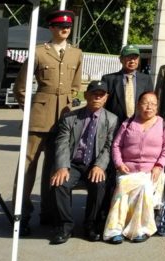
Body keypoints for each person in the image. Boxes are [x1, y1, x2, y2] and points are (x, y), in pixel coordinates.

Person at [13, 9, 83, 234]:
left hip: (63, 119)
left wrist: (69, 103)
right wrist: (31, 108)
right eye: (60, 26)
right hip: (38, 118)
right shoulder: (38, 52)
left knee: (55, 168)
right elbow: (21, 87)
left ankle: (50, 212)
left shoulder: (76, 54)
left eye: (68, 26)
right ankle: (20, 215)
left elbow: (75, 85)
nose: (65, 29)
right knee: (27, 167)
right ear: (51, 28)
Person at [49, 80, 118, 244]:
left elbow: (109, 147)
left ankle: (91, 225)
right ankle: (65, 226)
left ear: (106, 98)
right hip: (73, 163)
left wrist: (99, 166)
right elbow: (62, 143)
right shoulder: (70, 118)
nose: (97, 97)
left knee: (100, 183)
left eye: (101, 95)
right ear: (86, 95)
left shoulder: (112, 119)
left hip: (94, 164)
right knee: (59, 183)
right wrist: (62, 166)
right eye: (94, 94)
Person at [104, 91, 165, 244]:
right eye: (145, 103)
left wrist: (159, 165)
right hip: (127, 169)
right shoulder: (128, 123)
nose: (149, 107)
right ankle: (115, 229)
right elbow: (116, 145)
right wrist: (119, 163)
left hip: (152, 170)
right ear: (138, 105)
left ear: (157, 107)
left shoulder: (163, 124)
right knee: (122, 186)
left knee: (143, 186)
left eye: (153, 104)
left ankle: (140, 229)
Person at [103, 44, 154, 123]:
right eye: (129, 57)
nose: (132, 61)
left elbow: (151, 102)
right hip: (114, 125)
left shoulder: (146, 79)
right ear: (121, 59)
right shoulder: (108, 79)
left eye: (135, 57)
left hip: (139, 124)